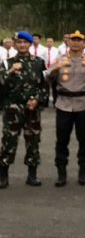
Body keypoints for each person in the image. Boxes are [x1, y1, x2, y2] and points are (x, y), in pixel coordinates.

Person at [46, 30, 85, 186]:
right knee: (62, 141)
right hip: (63, 104)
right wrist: (55, 68)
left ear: (84, 43)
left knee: (84, 140)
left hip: (83, 105)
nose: (75, 42)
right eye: (73, 40)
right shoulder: (60, 60)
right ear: (68, 42)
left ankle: (83, 172)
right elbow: (47, 79)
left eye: (79, 40)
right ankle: (61, 173)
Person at [0, 31, 47, 188]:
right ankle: (3, 176)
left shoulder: (38, 63)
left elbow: (44, 86)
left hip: (32, 109)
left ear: (30, 44)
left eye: (25, 42)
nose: (22, 45)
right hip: (13, 108)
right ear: (14, 44)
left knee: (33, 141)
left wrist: (37, 100)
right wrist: (10, 71)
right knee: (8, 141)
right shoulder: (7, 63)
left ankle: (32, 175)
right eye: (19, 42)